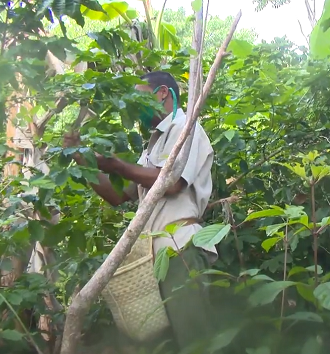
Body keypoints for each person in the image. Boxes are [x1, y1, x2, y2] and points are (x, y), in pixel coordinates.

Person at [63, 71, 217, 351]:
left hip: (180, 248)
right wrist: (82, 160)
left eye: (139, 95)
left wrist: (117, 165)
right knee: (163, 344)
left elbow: (171, 183)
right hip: (152, 260)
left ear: (161, 93)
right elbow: (118, 195)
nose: (134, 105)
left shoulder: (188, 129)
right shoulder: (154, 144)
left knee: (195, 339)